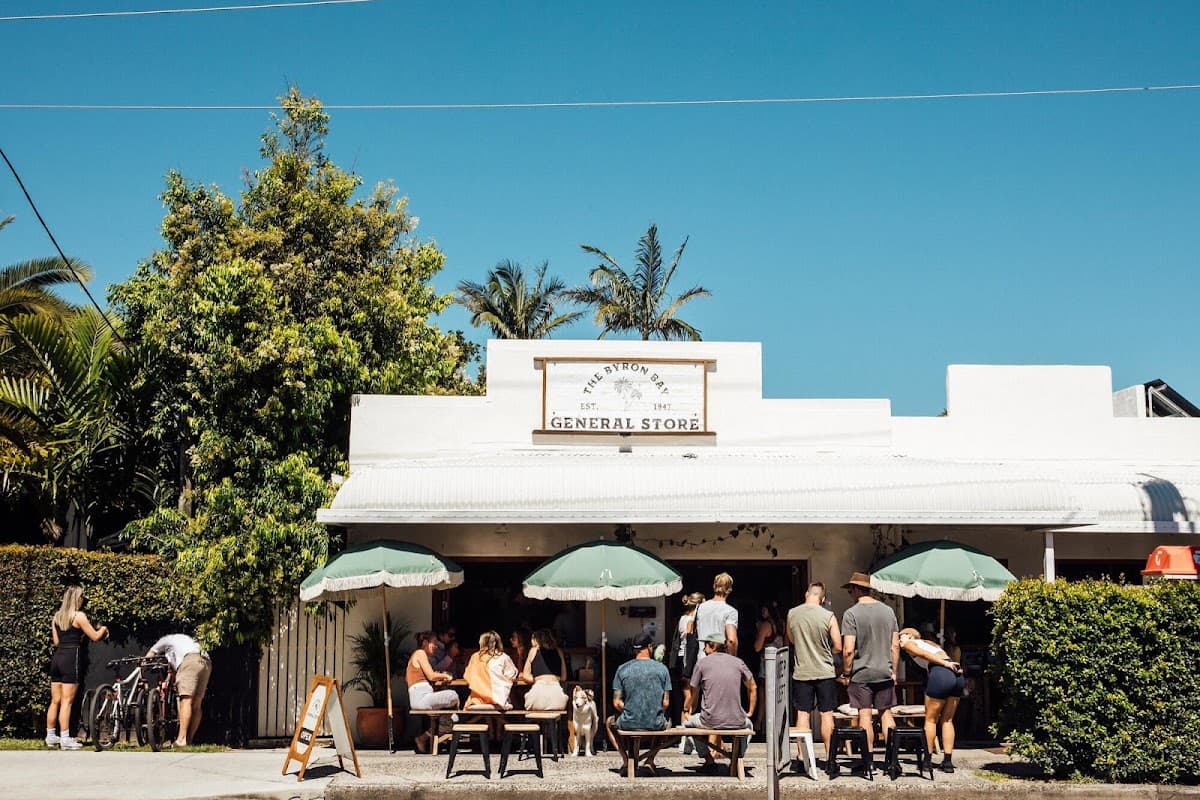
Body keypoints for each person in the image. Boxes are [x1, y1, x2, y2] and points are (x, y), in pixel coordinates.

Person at [840, 571, 899, 754]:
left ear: (857, 589)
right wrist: (894, 671)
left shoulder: (851, 614)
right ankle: (893, 758)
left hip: (862, 673)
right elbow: (895, 646)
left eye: (850, 591)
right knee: (886, 712)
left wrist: (847, 672)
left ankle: (868, 759)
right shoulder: (888, 611)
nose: (850, 594)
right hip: (884, 670)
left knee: (864, 714)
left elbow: (848, 649)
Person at [46, 585, 108, 749]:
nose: (83, 601)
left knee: (55, 701)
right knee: (67, 701)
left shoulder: (57, 617)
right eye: (82, 598)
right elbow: (94, 636)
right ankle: (65, 738)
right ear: (76, 599)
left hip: (57, 658)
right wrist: (103, 629)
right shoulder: (79, 616)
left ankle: (51, 735)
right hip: (70, 659)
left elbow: (57, 642)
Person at [684, 632, 756, 772]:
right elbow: (753, 686)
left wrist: (687, 709)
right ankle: (737, 758)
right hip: (737, 720)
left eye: (705, 646)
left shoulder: (702, 663)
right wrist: (750, 711)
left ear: (711, 647)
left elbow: (693, 691)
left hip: (709, 720)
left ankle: (709, 760)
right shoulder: (738, 662)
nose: (704, 650)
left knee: (688, 724)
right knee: (749, 726)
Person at [786, 582, 842, 760]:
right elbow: (839, 646)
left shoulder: (792, 614)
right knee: (827, 714)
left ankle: (803, 756)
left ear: (806, 594)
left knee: (803, 714)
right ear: (823, 598)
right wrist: (827, 649)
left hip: (802, 671)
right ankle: (829, 755)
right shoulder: (829, 616)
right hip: (825, 671)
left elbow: (791, 639)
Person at [605, 631, 672, 776]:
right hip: (655, 723)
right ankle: (650, 760)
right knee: (668, 722)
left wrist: (631, 708)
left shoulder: (622, 669)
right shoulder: (662, 669)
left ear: (635, 649)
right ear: (649, 647)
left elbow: (616, 703)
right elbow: (666, 703)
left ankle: (626, 761)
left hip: (629, 722)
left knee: (609, 722)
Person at [899, 627, 964, 773]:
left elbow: (923, 654)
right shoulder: (931, 643)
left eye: (901, 637)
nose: (899, 641)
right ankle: (947, 762)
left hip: (941, 671)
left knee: (930, 720)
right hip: (957, 675)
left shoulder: (912, 643)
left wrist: (945, 664)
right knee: (947, 720)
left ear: (910, 636)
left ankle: (927, 761)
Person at [146, 633, 212, 747]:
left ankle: (181, 740)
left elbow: (151, 654)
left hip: (190, 660)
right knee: (196, 704)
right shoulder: (186, 640)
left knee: (185, 701)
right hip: (206, 661)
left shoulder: (165, 640)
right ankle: (189, 740)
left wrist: (143, 666)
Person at [407, 630, 458, 753]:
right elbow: (431, 675)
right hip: (421, 697)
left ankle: (423, 738)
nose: (435, 646)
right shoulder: (420, 653)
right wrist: (446, 676)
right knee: (453, 695)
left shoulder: (421, 655)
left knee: (450, 718)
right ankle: (450, 722)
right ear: (425, 642)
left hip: (422, 697)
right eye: (434, 643)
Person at [668, 592, 703, 748]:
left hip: (681, 661)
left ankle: (685, 738)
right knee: (691, 700)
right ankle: (686, 738)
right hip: (688, 662)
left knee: (687, 698)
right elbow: (690, 644)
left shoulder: (682, 619)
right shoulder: (690, 621)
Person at [465, 630, 519, 710]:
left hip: (478, 701)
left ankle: (492, 722)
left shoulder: (475, 657)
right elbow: (512, 675)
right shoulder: (503, 657)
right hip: (498, 700)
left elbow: (467, 677)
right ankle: (503, 721)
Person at [752, 600, 785, 729]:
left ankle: (759, 722)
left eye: (764, 609)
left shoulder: (766, 625)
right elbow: (786, 644)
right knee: (779, 693)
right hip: (781, 661)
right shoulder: (782, 624)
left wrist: (758, 630)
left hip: (767, 662)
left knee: (763, 693)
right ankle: (779, 722)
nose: (762, 612)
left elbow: (757, 647)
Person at [521, 628, 568, 710]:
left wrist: (537, 678)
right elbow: (563, 677)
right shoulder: (559, 651)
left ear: (536, 640)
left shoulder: (533, 651)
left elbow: (525, 676)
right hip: (557, 698)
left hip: (538, 696)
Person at [694, 572, 739, 658]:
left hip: (702, 659)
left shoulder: (700, 607)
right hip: (720, 661)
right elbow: (731, 640)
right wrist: (733, 661)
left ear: (714, 586)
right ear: (729, 589)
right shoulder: (730, 611)